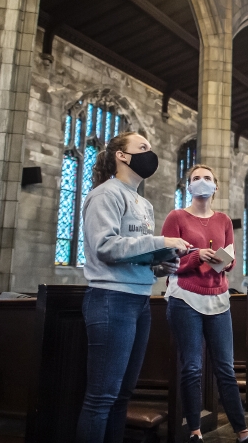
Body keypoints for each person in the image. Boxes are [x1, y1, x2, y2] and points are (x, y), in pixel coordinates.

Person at [76, 132, 192, 443]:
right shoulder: (106, 194)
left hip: (139, 300)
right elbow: (105, 247)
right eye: (142, 148)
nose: (149, 153)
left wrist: (160, 264)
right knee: (102, 396)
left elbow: (133, 254)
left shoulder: (144, 203)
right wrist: (161, 242)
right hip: (111, 299)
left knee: (123, 395)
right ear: (122, 156)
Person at [161, 164, 248, 443]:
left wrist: (222, 261)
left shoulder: (224, 219)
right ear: (188, 185)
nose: (201, 182)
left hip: (218, 298)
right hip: (185, 298)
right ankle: (194, 432)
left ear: (215, 186)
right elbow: (167, 262)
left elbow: (231, 259)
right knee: (192, 367)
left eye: (207, 178)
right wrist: (195, 257)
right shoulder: (176, 216)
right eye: (196, 178)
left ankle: (243, 433)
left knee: (225, 369)